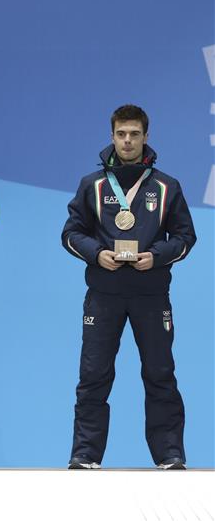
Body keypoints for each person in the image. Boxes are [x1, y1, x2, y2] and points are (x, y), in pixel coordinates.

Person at [62, 104, 196, 470]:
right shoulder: (93, 185)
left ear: (146, 137)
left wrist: (158, 255)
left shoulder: (167, 187)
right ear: (112, 136)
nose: (127, 140)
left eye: (134, 134)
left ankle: (170, 455)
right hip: (103, 295)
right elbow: (71, 233)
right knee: (93, 375)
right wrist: (96, 253)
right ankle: (85, 455)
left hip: (151, 296)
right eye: (121, 134)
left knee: (160, 373)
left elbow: (186, 237)